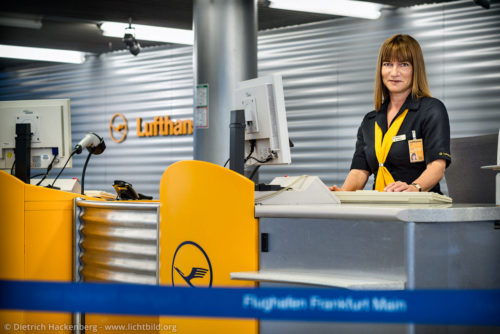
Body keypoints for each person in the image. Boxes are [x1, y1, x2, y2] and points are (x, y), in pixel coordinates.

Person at [330, 34, 451, 194]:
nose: (394, 73)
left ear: (416, 69)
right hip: (382, 207)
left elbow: (437, 166)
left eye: (403, 64)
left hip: (419, 206)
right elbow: (359, 171)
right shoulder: (370, 120)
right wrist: (341, 194)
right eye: (388, 64)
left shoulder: (431, 109)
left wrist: (415, 187)